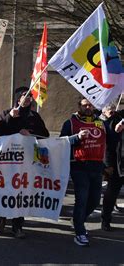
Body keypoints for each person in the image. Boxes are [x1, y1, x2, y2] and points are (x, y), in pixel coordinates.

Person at [0, 87, 49, 239]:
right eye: (24, 96)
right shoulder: (8, 112)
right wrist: (10, 118)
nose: (27, 99)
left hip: (27, 163)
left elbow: (45, 134)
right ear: (18, 99)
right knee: (6, 190)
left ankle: (17, 226)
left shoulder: (34, 116)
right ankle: (2, 217)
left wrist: (30, 134)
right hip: (8, 162)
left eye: (30, 96)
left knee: (22, 193)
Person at [60, 98, 106, 246]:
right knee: (82, 200)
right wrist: (76, 138)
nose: (88, 107)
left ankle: (77, 220)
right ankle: (80, 232)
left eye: (90, 105)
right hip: (79, 167)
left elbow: (111, 139)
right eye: (85, 105)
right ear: (79, 106)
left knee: (94, 200)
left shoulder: (100, 123)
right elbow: (62, 141)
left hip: (97, 167)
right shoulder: (71, 123)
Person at [101, 109, 124, 232]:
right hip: (117, 164)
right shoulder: (115, 120)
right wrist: (108, 165)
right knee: (111, 193)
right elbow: (108, 145)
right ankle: (105, 220)